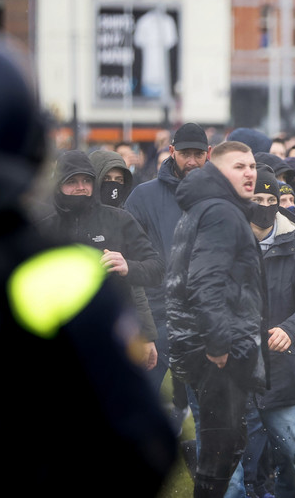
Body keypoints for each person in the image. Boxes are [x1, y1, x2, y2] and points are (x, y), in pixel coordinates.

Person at [0, 31, 175, 495]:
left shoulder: (96, 237)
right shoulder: (60, 274)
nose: (83, 190)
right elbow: (144, 446)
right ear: (30, 145)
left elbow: (155, 265)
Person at [166, 140, 267, 498]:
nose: (250, 173)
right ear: (216, 169)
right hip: (214, 348)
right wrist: (218, 344)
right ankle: (196, 457)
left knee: (229, 441)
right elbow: (205, 282)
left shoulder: (207, 207)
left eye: (252, 166)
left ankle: (194, 453)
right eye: (239, 166)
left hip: (205, 341)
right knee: (221, 450)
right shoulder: (221, 211)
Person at [230, 166, 295, 498]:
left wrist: (291, 328)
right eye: (257, 197)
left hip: (280, 366)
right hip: (233, 364)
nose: (265, 204)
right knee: (231, 463)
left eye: (271, 198)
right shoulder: (224, 240)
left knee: (290, 454)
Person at [38, 150, 161, 370]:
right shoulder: (45, 227)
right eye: (72, 181)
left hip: (113, 335)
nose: (81, 187)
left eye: (87, 180)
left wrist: (128, 266)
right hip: (60, 338)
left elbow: (157, 269)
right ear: (58, 185)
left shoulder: (119, 219)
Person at [126, 122, 211, 424]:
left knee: (209, 416)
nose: (191, 161)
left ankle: (212, 472)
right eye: (185, 153)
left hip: (205, 320)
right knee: (138, 403)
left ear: (208, 154)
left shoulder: (222, 197)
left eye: (198, 154)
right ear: (172, 151)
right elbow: (131, 258)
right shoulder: (143, 196)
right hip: (155, 318)